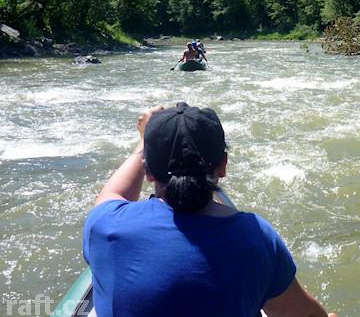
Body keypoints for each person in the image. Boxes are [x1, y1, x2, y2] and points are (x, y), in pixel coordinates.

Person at [83, 102, 337, 317]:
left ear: (147, 170)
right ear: (223, 165)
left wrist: (142, 144)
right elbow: (302, 313)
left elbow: (112, 194)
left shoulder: (106, 226)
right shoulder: (255, 238)